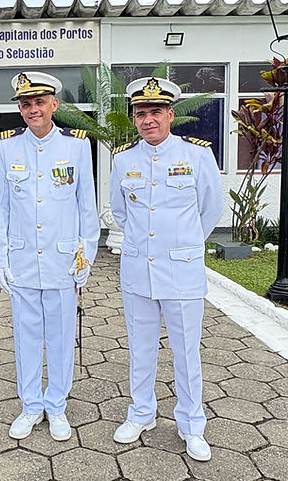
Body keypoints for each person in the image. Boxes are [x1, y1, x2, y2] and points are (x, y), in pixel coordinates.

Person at [109, 76, 223, 462]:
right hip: (139, 271)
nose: (147, 119)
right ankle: (141, 413)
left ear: (170, 114)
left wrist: (183, 244)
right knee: (140, 350)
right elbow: (121, 212)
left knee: (186, 353)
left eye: (155, 111)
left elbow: (210, 211)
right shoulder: (123, 159)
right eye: (140, 113)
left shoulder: (197, 156)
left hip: (182, 272)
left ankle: (192, 425)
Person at [0, 71, 99, 442]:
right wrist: (0, 259)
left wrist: (86, 257)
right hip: (22, 261)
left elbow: (88, 208)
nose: (32, 109)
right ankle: (31, 405)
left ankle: (57, 405)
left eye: (39, 102)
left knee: (62, 336)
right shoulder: (7, 147)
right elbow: (0, 208)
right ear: (20, 110)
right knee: (26, 335)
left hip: (62, 261)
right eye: (26, 104)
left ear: (54, 104)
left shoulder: (76, 146)